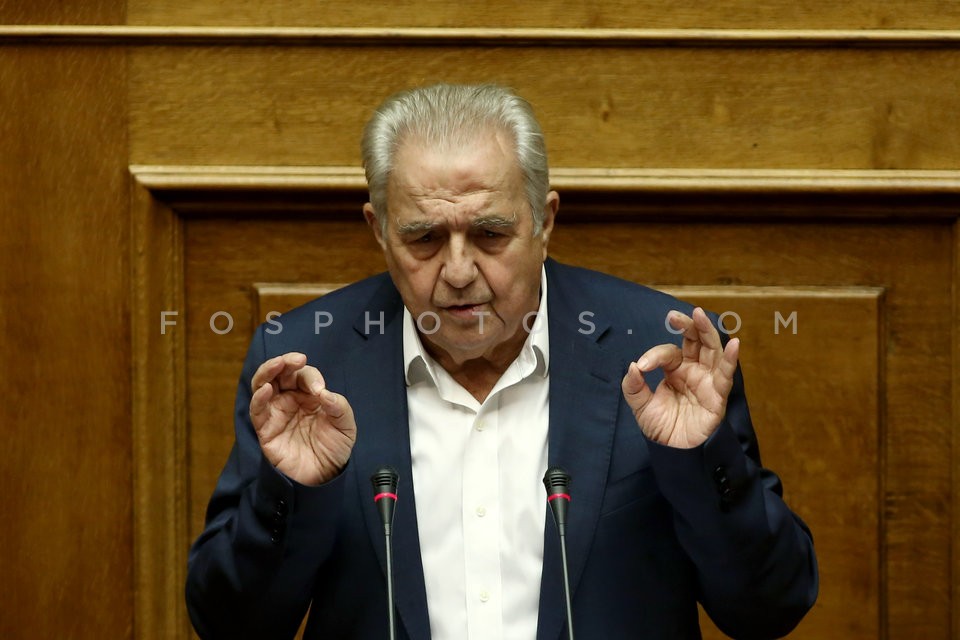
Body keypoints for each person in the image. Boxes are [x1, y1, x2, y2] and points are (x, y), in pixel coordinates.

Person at [185, 83, 818, 640]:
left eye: (490, 234)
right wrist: (292, 490)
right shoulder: (306, 366)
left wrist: (699, 458)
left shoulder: (660, 357)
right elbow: (230, 626)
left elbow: (770, 608)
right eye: (424, 238)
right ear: (379, 230)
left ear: (544, 221)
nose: (459, 271)